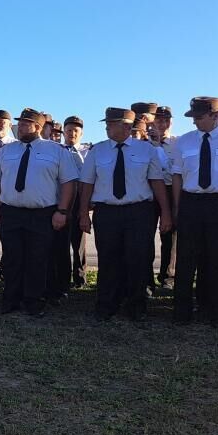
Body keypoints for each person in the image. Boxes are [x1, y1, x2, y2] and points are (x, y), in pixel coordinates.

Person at [76, 107, 171, 321]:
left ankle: (136, 306)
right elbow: (87, 184)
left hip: (139, 211)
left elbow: (157, 182)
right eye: (107, 123)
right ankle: (106, 305)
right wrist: (83, 213)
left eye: (112, 123)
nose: (107, 127)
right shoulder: (97, 151)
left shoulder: (146, 150)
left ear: (127, 126)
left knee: (138, 259)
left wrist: (165, 212)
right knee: (108, 259)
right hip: (107, 212)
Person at [0, 108, 80, 317]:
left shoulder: (56, 151)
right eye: (19, 123)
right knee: (11, 258)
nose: (19, 127)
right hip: (11, 212)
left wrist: (62, 211)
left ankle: (33, 300)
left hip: (42, 214)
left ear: (38, 127)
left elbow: (69, 183)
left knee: (37, 258)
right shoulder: (7, 151)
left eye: (25, 124)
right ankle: (10, 299)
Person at [170, 97, 218, 324]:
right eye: (193, 117)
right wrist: (177, 207)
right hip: (191, 201)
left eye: (199, 117)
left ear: (215, 116)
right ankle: (182, 312)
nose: (195, 122)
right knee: (186, 258)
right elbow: (177, 176)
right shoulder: (184, 141)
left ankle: (216, 312)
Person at [150, 106, 179, 288]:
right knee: (145, 234)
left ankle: (167, 276)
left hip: (171, 189)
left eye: (166, 120)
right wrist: (153, 143)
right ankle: (146, 277)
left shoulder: (178, 142)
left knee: (170, 236)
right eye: (159, 120)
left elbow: (172, 169)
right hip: (150, 190)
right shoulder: (144, 143)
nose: (163, 124)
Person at [59, 116, 89, 290]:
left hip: (80, 199)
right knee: (61, 240)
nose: (72, 133)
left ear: (81, 133)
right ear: (64, 132)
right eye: (69, 130)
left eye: (76, 131)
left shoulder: (88, 152)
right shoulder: (58, 151)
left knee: (79, 241)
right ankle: (62, 277)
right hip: (62, 200)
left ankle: (80, 276)